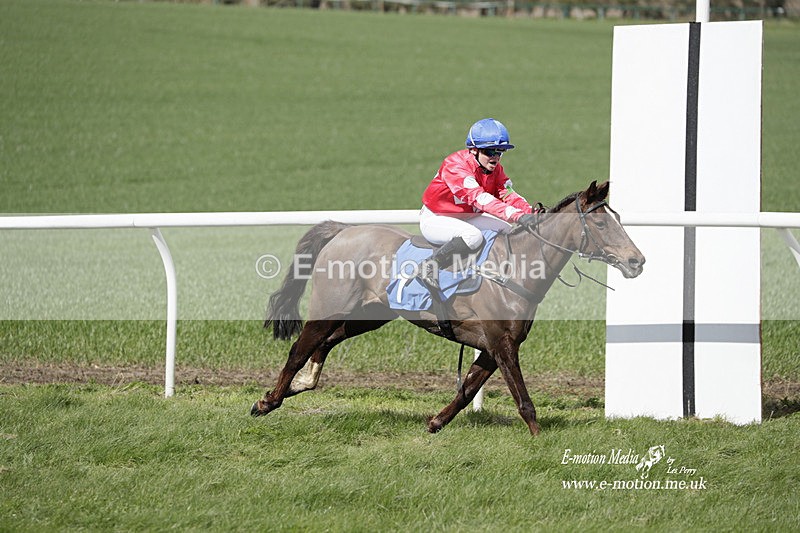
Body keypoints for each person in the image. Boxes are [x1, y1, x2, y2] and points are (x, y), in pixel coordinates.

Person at [419, 118, 538, 290]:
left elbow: (508, 194)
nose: (495, 157)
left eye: (500, 152)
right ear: (474, 150)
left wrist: (532, 212)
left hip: (466, 218)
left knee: (506, 229)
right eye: (490, 152)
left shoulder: (496, 169)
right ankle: (429, 266)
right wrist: (518, 216)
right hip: (436, 219)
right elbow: (480, 199)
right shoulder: (455, 166)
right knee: (472, 237)